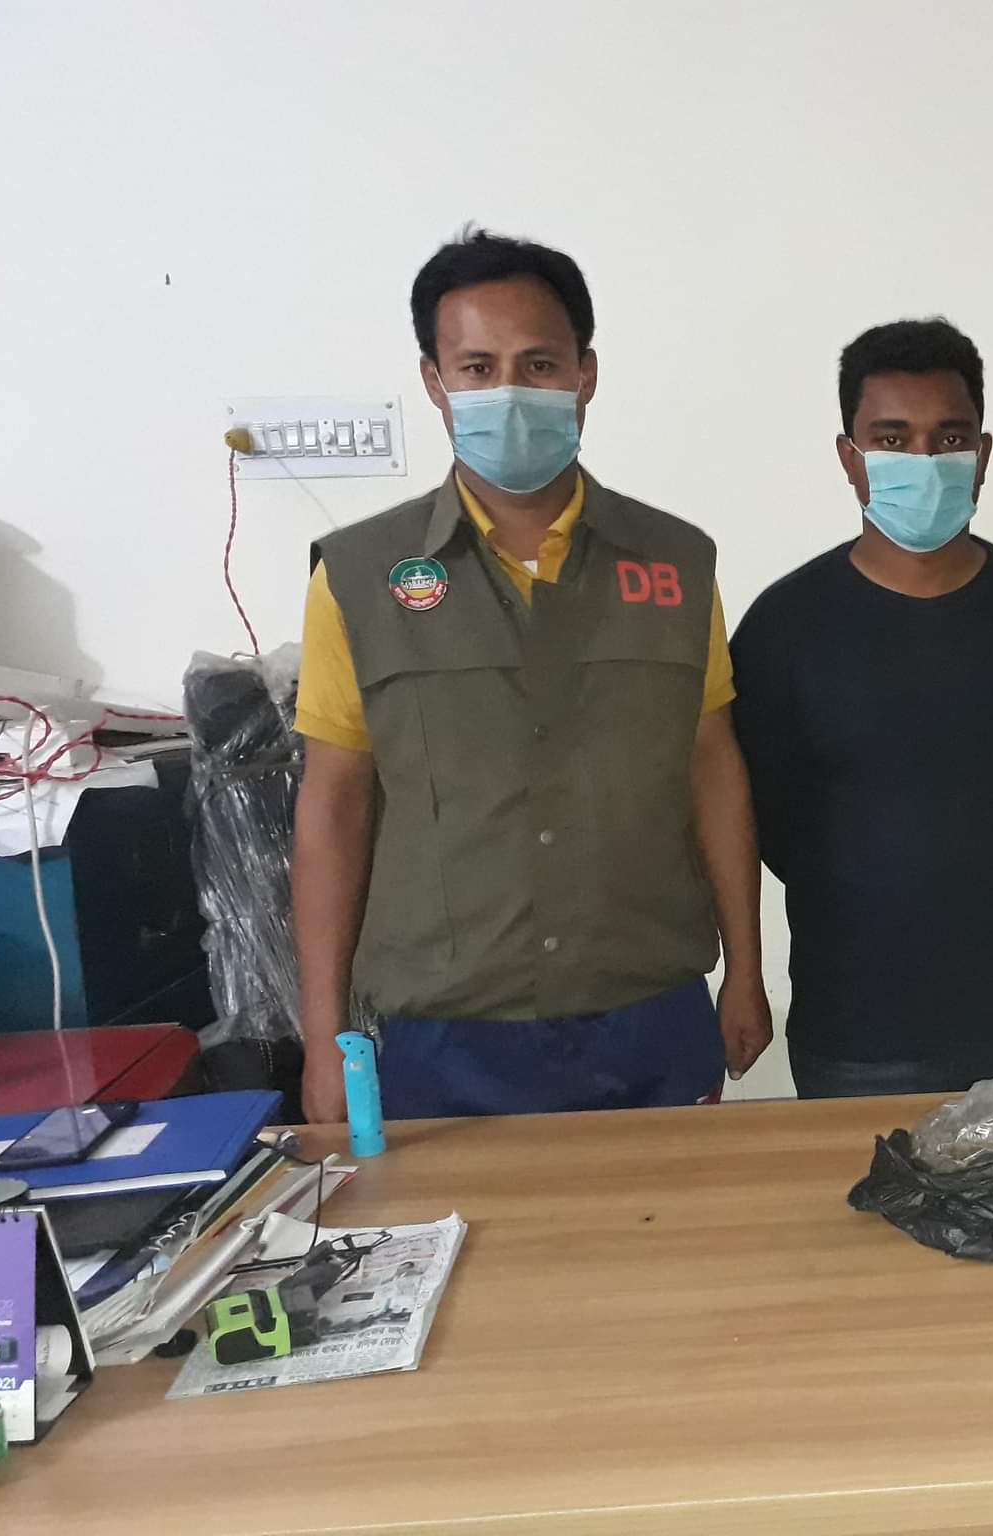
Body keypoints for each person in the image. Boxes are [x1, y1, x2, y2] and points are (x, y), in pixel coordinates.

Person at [292, 228, 771, 1122]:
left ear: (585, 375)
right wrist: (324, 1039)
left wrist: (747, 968)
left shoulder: (675, 562)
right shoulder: (359, 577)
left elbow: (712, 765)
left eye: (539, 364)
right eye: (477, 368)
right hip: (442, 1026)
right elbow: (334, 805)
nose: (509, 393)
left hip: (647, 1007)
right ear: (434, 382)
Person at [731, 319, 993, 1098]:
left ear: (982, 455)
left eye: (948, 438)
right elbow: (768, 826)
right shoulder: (786, 624)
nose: (923, 462)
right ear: (849, 457)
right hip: (853, 1030)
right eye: (892, 440)